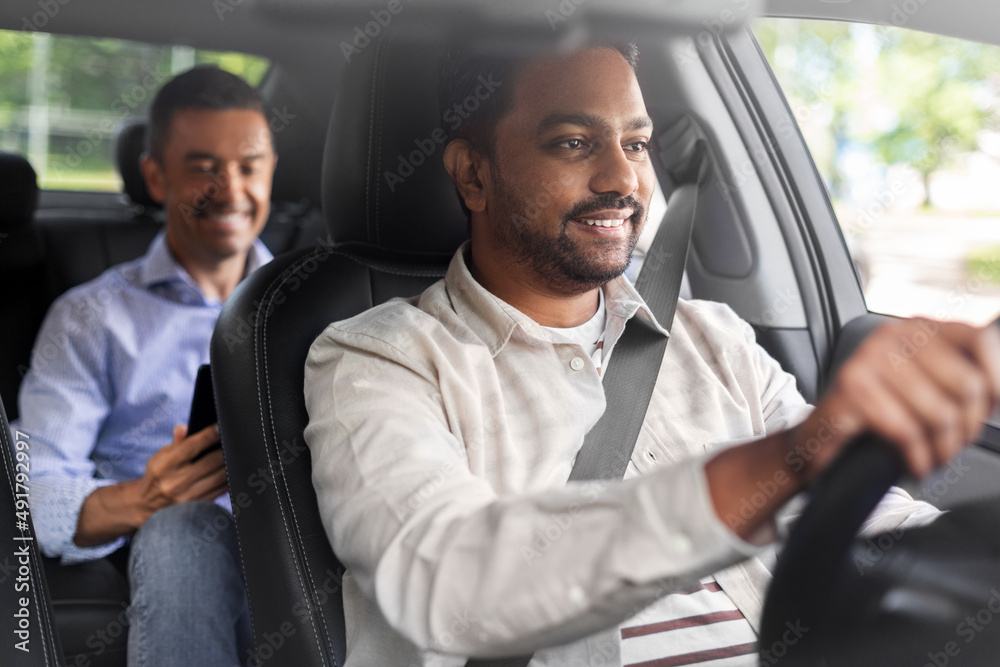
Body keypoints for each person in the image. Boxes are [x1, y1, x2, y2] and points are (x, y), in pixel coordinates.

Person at [302, 43, 1000, 666]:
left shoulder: (712, 339)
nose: (623, 179)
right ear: (474, 175)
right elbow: (447, 581)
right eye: (574, 143)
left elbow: (870, 519)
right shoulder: (375, 361)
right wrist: (790, 455)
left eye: (637, 145)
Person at [13, 65, 277, 666]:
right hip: (169, 550)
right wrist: (144, 498)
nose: (232, 191)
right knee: (186, 529)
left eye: (248, 166)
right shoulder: (91, 317)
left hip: (295, 541)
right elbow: (37, 484)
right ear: (156, 175)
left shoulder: (314, 304)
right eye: (205, 167)